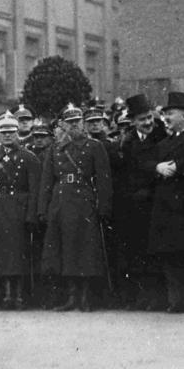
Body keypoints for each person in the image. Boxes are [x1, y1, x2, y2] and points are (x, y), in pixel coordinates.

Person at [38, 103, 112, 312]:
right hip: (60, 202)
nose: (74, 126)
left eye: (77, 122)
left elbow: (104, 180)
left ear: (83, 123)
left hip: (84, 202)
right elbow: (46, 182)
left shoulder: (94, 146)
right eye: (69, 123)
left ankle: (86, 297)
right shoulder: (56, 149)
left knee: (85, 250)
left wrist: (104, 207)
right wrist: (42, 209)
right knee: (65, 250)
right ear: (62, 124)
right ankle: (71, 296)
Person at [0, 112, 41, 310]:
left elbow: (34, 189)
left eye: (11, 132)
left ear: (18, 132)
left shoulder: (28, 157)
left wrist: (31, 215)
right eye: (3, 132)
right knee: (1, 258)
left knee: (18, 256)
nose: (7, 136)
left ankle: (19, 296)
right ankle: (6, 295)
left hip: (19, 212)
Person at [117, 93, 167, 310]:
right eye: (142, 119)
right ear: (133, 121)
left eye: (149, 118)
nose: (147, 123)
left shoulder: (162, 136)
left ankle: (156, 298)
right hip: (133, 205)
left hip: (155, 202)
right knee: (135, 252)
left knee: (154, 252)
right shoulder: (128, 142)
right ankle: (140, 297)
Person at [146, 91, 184, 313]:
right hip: (166, 208)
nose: (166, 118)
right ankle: (175, 300)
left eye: (171, 113)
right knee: (169, 256)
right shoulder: (163, 143)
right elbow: (148, 164)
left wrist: (178, 167)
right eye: (166, 114)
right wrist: (157, 168)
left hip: (181, 206)